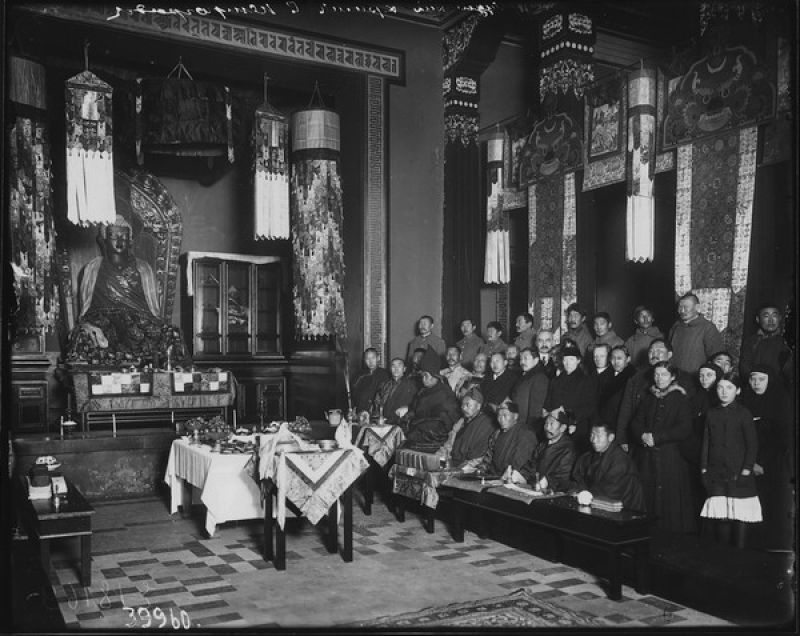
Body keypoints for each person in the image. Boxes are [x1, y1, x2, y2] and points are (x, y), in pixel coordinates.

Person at [66, 215, 188, 365]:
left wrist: (149, 322)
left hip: (138, 322)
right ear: (104, 239)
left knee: (172, 334)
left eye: (124, 236)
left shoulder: (143, 269)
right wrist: (86, 323)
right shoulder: (93, 268)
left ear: (130, 240)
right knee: (82, 336)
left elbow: (152, 308)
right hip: (103, 323)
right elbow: (85, 306)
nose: (119, 241)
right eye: (113, 236)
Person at [630, 362, 697, 533]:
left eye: (664, 375)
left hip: (671, 457)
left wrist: (657, 438)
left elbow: (684, 428)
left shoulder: (681, 399)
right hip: (648, 456)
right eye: (657, 375)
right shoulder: (649, 397)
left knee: (669, 500)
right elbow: (636, 422)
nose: (660, 379)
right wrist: (642, 435)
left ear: (673, 377)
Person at [700, 372, 762, 548]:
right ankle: (723, 562)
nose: (724, 392)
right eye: (720, 387)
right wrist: (704, 470)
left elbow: (752, 446)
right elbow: (706, 444)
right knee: (722, 520)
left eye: (729, 388)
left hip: (739, 475)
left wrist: (746, 471)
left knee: (740, 518)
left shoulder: (744, 413)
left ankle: (739, 563)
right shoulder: (711, 413)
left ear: (738, 390)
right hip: (717, 474)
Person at [741, 365, 794, 551]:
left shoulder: (780, 402)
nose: (756, 383)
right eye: (753, 379)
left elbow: (783, 438)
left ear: (770, 380)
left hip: (773, 464)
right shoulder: (746, 401)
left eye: (761, 379)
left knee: (773, 508)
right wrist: (750, 462)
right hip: (748, 463)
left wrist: (762, 462)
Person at [616, 338, 695, 452]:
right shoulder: (637, 378)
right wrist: (622, 438)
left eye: (659, 351)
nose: (654, 354)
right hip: (640, 443)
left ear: (670, 354)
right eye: (651, 351)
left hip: (671, 447)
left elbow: (685, 422)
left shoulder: (684, 379)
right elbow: (626, 409)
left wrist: (657, 438)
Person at [569, 421, 645, 511]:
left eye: (598, 436)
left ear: (611, 437)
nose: (594, 440)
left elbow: (609, 492)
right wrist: (578, 491)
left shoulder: (620, 461)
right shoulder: (587, 457)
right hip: (595, 503)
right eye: (592, 435)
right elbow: (577, 479)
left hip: (622, 509)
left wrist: (584, 494)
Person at [398, 348, 460, 451]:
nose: (423, 379)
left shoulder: (445, 394)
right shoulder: (422, 391)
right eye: (422, 375)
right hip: (418, 431)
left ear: (435, 376)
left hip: (434, 439)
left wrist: (417, 426)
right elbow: (414, 410)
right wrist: (406, 419)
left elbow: (447, 423)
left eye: (426, 375)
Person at [543, 344, 597, 453]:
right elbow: (548, 403)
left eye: (571, 359)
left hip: (575, 428)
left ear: (578, 361)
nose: (568, 363)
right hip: (554, 426)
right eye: (565, 359)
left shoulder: (586, 381)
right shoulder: (556, 381)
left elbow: (589, 406)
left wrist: (571, 420)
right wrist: (548, 412)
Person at [505, 409, 577, 492]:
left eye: (551, 424)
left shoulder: (568, 449)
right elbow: (531, 466)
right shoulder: (543, 445)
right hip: (534, 487)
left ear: (563, 428)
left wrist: (548, 482)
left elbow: (562, 478)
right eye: (546, 423)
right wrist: (520, 475)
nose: (547, 427)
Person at [461, 401, 537, 477]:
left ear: (515, 416)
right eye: (499, 415)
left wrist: (510, 474)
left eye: (505, 415)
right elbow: (488, 459)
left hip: (515, 477)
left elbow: (520, 462)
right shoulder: (496, 434)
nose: (501, 419)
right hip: (495, 476)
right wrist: (479, 470)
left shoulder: (525, 434)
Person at [436, 388, 495, 469]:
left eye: (468, 405)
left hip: (471, 465)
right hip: (453, 461)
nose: (464, 408)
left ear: (478, 406)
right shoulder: (462, 421)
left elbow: (479, 456)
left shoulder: (485, 424)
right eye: (462, 404)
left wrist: (460, 469)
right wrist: (440, 463)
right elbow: (448, 445)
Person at [739, 303, 794, 389]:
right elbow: (744, 369)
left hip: (779, 390)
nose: (771, 320)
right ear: (758, 319)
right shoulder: (751, 342)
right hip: (755, 387)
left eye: (774, 316)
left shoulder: (786, 342)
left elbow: (790, 372)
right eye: (766, 316)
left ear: (780, 318)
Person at [668, 293, 724, 375]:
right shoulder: (676, 326)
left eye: (686, 307)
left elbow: (716, 357)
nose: (682, 311)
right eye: (680, 307)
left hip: (696, 378)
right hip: (675, 375)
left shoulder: (708, 328)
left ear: (697, 308)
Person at [510, 346, 549, 438]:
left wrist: (529, 432)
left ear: (536, 360)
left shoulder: (539, 378)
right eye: (521, 359)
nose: (522, 362)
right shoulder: (524, 376)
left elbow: (536, 411)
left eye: (525, 358)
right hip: (518, 425)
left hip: (527, 428)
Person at [372, 357, 418, 426]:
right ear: (390, 369)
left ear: (404, 369)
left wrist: (407, 408)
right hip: (384, 422)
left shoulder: (411, 385)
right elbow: (377, 403)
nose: (396, 368)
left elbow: (417, 404)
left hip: (401, 423)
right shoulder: (384, 385)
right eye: (393, 366)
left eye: (399, 365)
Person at [599, 345, 636, 427]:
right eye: (613, 358)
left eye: (619, 358)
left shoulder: (633, 378)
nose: (615, 362)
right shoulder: (606, 375)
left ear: (628, 359)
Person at [352, 348, 391, 416]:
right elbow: (354, 393)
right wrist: (354, 408)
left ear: (378, 358)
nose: (370, 362)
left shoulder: (385, 374)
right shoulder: (359, 375)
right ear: (364, 360)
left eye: (373, 358)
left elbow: (385, 396)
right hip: (360, 411)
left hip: (376, 413)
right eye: (367, 359)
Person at [624, 305, 664, 370]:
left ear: (653, 319)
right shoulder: (630, 341)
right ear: (636, 321)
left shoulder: (661, 338)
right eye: (641, 316)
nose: (645, 319)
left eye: (648, 315)